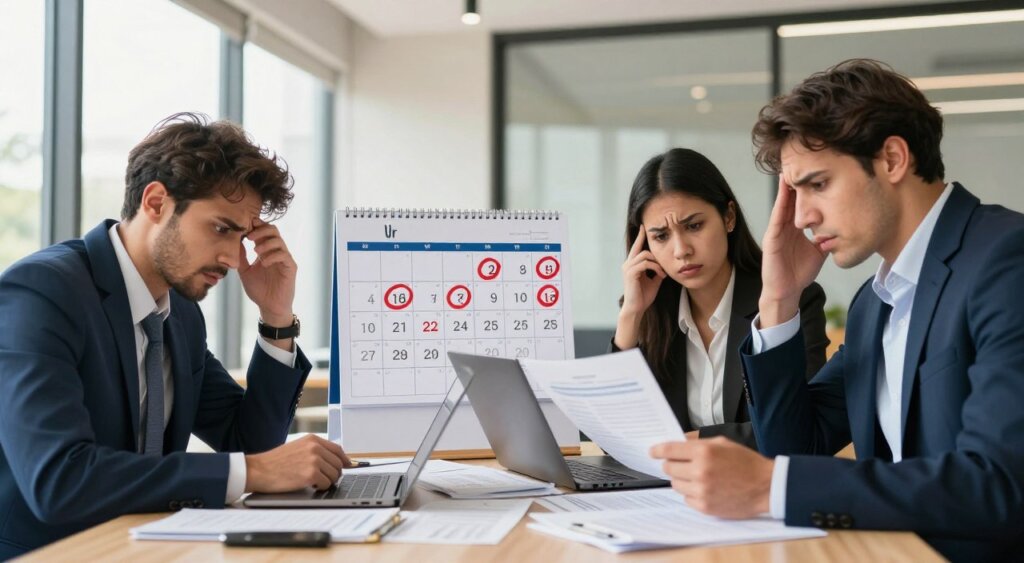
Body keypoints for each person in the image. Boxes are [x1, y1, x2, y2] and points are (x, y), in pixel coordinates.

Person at [648, 59, 1024, 561]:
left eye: (817, 184)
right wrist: (778, 300)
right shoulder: (875, 304)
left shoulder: (1006, 260)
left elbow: (999, 485)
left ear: (892, 159)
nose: (802, 217)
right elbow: (796, 446)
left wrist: (771, 486)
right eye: (795, 192)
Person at [0, 113, 352, 557]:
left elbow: (250, 444)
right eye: (221, 228)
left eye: (243, 237)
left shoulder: (179, 313)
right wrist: (249, 473)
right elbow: (60, 480)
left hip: (149, 546)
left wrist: (276, 315)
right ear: (155, 202)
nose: (232, 257)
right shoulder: (42, 293)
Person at [611, 148, 828, 447]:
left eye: (694, 226)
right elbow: (619, 431)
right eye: (661, 236)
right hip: (666, 490)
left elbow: (802, 428)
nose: (681, 250)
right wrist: (631, 316)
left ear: (728, 217)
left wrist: (696, 441)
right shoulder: (650, 312)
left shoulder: (791, 299)